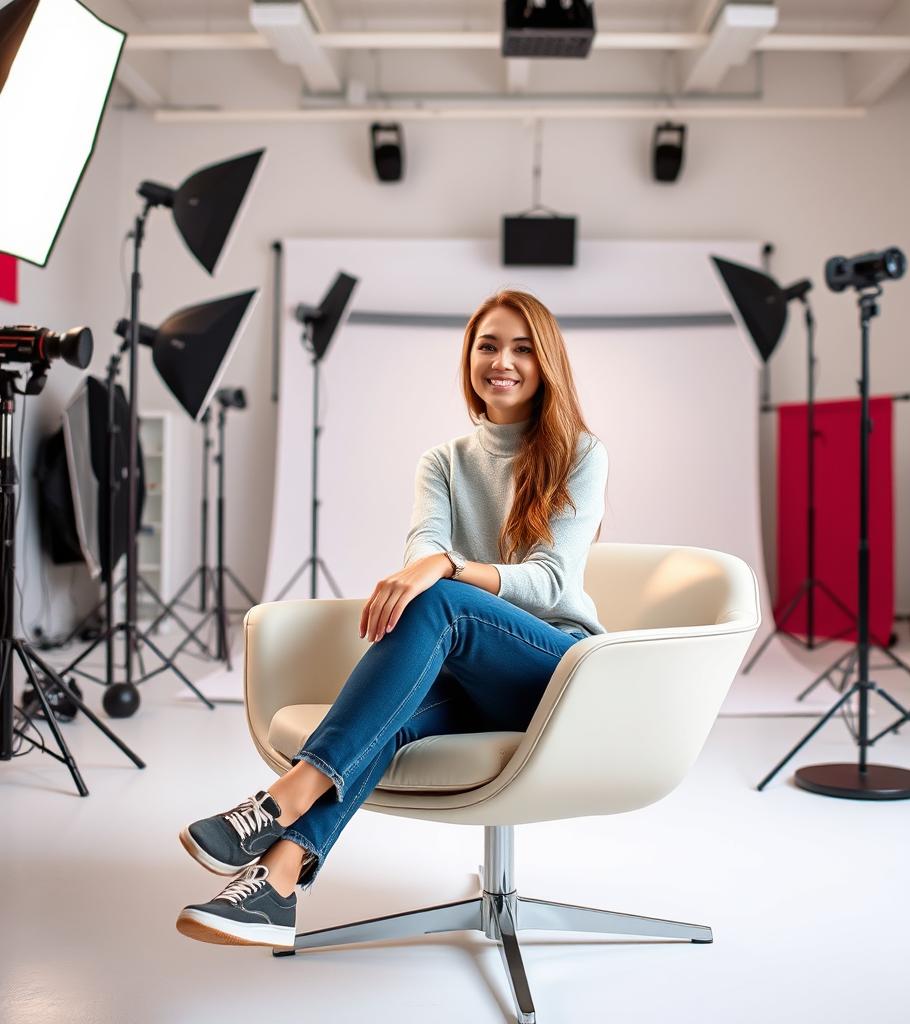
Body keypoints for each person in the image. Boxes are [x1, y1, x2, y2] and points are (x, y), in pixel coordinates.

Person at [175, 289, 609, 948]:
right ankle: (278, 884)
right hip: (470, 678)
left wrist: (448, 567)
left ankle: (283, 797)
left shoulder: (580, 453)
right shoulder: (442, 462)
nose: (502, 361)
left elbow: (548, 581)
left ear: (546, 362)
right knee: (386, 720)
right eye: (488, 346)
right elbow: (420, 551)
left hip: (554, 671)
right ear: (469, 358)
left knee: (438, 600)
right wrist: (433, 565)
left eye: (522, 349)